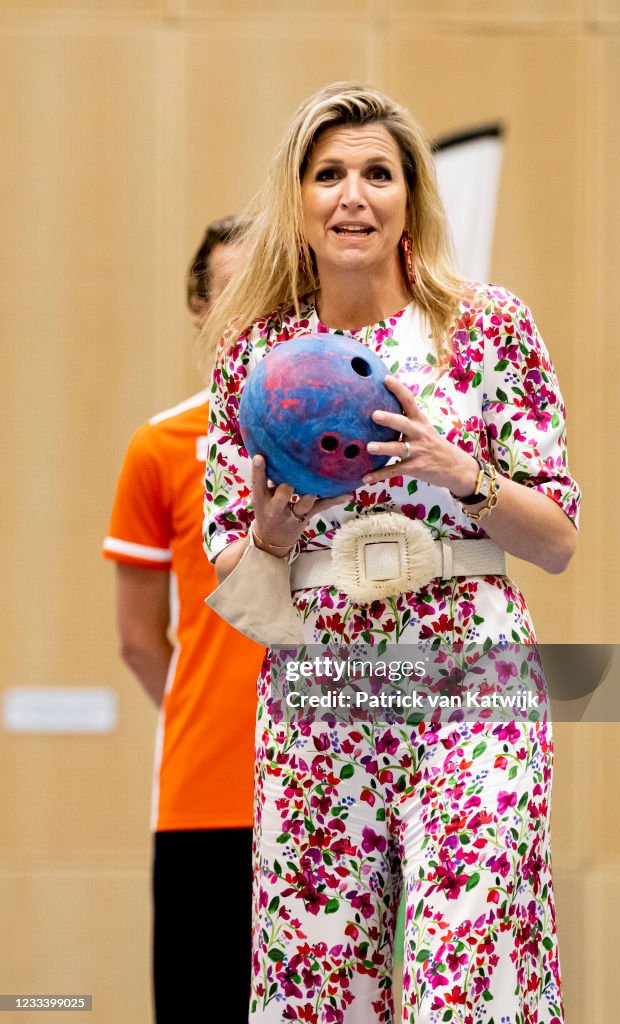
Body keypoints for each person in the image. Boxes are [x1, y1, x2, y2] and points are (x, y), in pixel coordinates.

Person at [202, 84, 580, 1024]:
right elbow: (230, 562)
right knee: (316, 975)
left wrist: (463, 473)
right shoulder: (257, 353)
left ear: (412, 194)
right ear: (298, 199)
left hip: (471, 671)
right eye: (328, 174)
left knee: (467, 955)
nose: (352, 195)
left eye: (377, 172)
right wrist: (275, 531)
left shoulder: (487, 326)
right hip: (322, 684)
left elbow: (560, 541)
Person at [103, 216, 264, 1022]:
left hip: (342, 784)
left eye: (264, 289)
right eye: (226, 291)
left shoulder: (352, 439)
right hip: (207, 795)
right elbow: (138, 641)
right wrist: (212, 710)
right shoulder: (162, 446)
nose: (244, 313)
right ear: (197, 308)